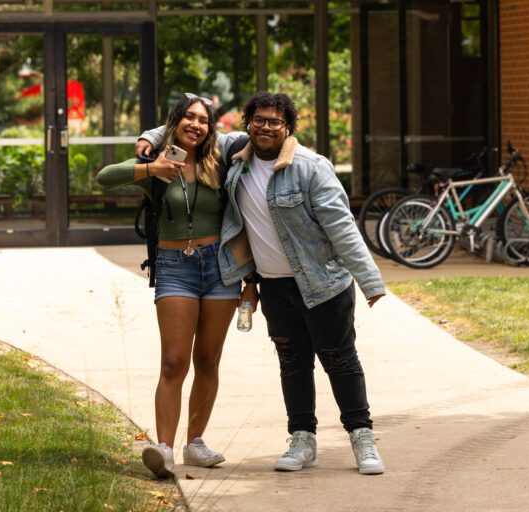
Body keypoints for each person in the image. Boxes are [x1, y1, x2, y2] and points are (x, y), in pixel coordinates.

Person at [137, 92, 386, 475]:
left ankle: (363, 439)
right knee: (293, 364)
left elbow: (343, 228)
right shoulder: (236, 161)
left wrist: (370, 282)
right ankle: (302, 440)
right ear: (247, 124)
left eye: (275, 122)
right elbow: (189, 128)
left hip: (322, 283)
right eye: (259, 120)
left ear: (288, 127)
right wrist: (152, 139)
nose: (266, 127)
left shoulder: (310, 167)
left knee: (340, 361)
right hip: (275, 286)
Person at [96, 93, 257, 479]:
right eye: (189, 117)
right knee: (173, 361)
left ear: (210, 127)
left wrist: (251, 281)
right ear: (175, 122)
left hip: (219, 268)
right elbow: (105, 178)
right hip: (173, 267)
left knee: (207, 360)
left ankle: (196, 444)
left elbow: (256, 137)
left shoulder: (221, 157)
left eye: (203, 120)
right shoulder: (157, 163)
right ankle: (164, 449)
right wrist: (151, 170)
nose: (196, 125)